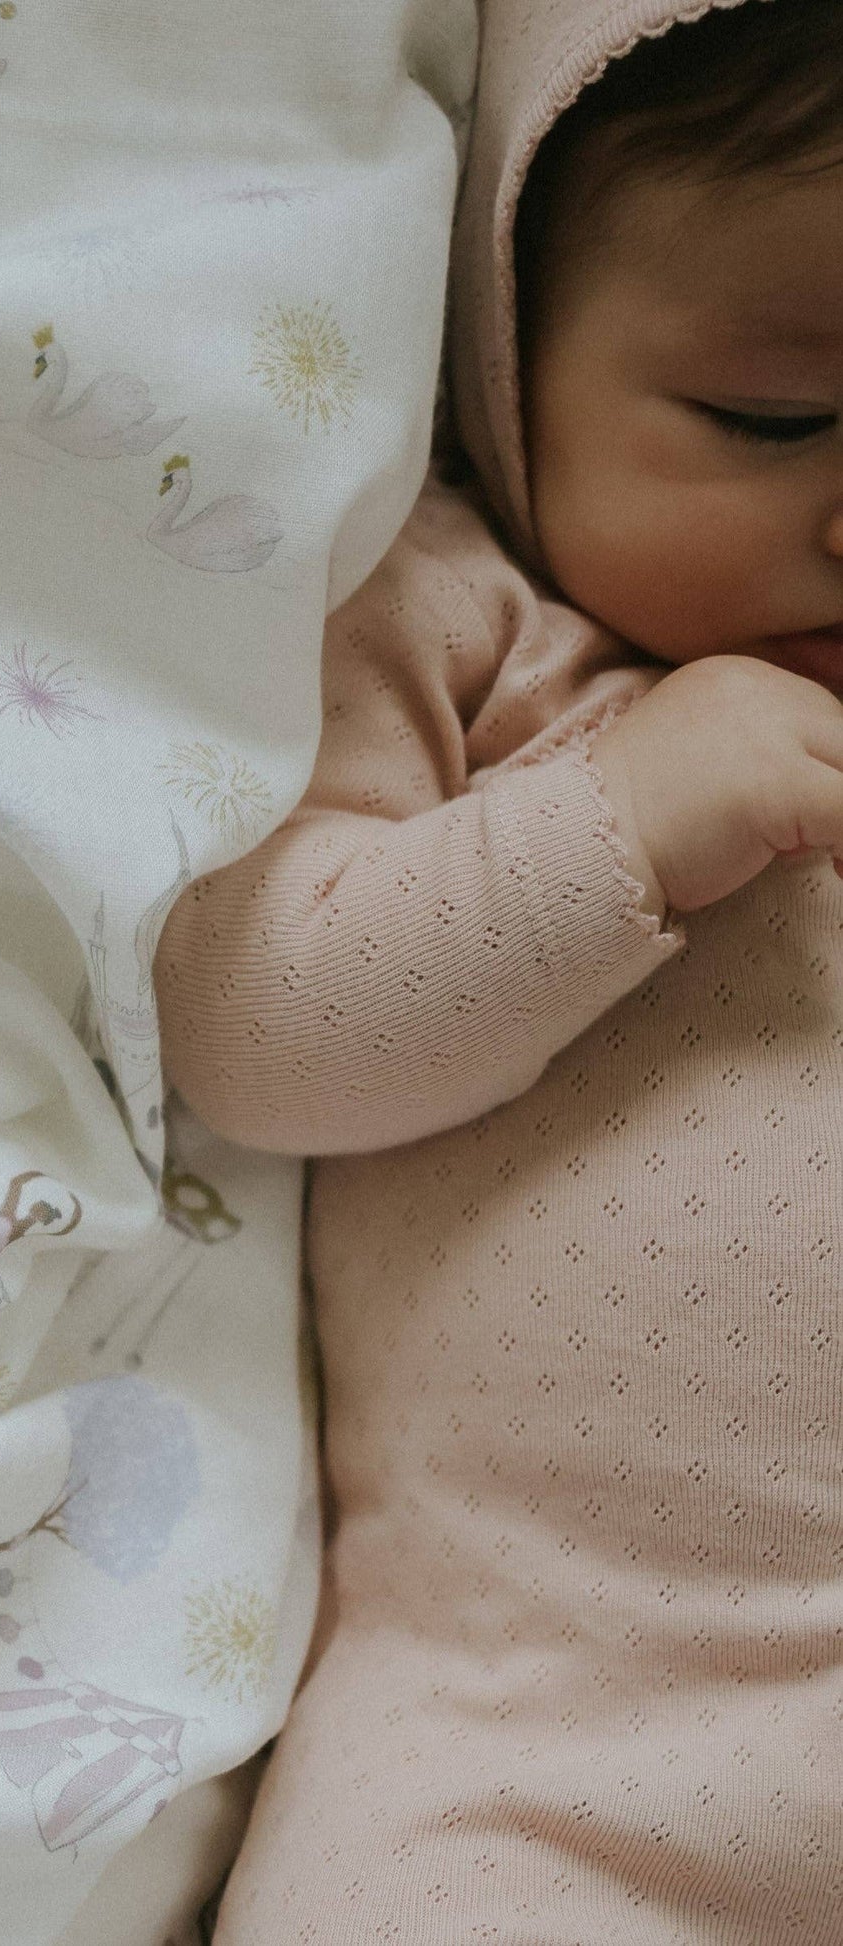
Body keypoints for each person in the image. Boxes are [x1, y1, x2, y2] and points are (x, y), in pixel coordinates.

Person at [151, 0, 843, 1934]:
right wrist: (612, 824)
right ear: (502, 367)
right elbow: (258, 1025)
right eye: (772, 416)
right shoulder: (464, 627)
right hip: (528, 1731)